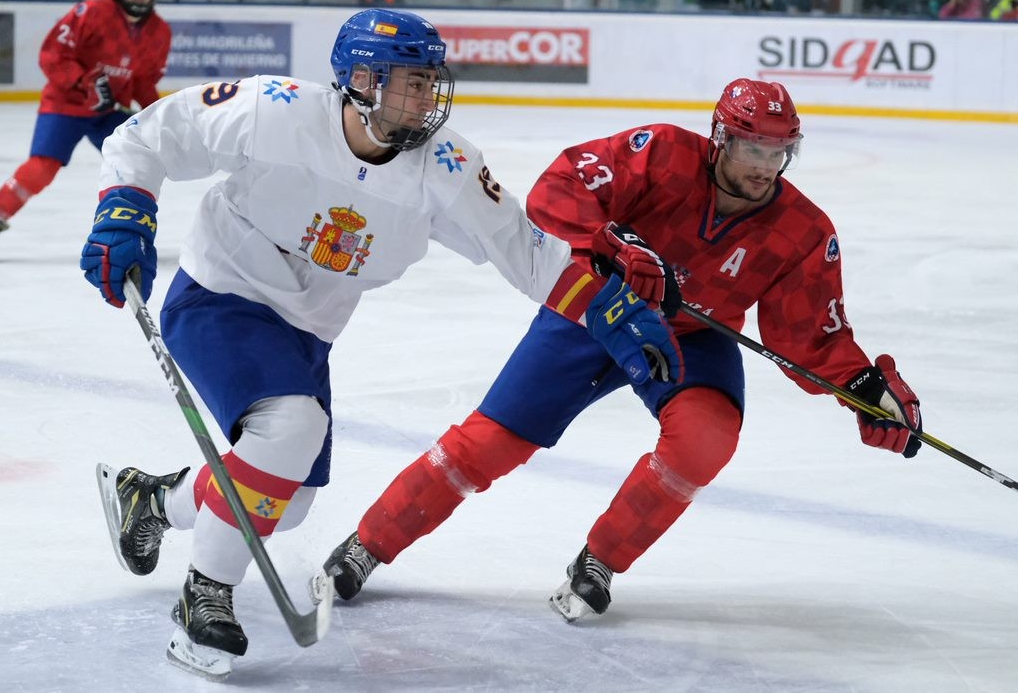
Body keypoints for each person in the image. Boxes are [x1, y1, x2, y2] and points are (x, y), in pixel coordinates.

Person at [82, 8, 678, 679]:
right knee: (290, 429)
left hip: (308, 330)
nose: (430, 97)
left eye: (432, 82)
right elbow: (148, 134)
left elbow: (526, 253)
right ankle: (205, 595)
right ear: (361, 80)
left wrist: (612, 311)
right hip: (223, 293)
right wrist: (124, 210)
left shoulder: (445, 167)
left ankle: (153, 500)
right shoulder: (272, 110)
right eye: (413, 82)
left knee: (287, 493)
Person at [315, 78, 924, 625]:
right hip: (595, 309)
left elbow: (808, 334)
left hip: (693, 334)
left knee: (705, 441)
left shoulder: (803, 231)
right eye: (750, 149)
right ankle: (368, 544)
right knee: (489, 444)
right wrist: (612, 242)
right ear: (720, 139)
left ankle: (600, 561)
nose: (764, 168)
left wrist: (864, 388)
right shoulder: (659, 152)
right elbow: (560, 187)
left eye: (776, 153)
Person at [0, 0, 170, 261]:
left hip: (108, 110)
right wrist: (84, 82)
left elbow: (142, 83)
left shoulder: (159, 32)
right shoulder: (93, 13)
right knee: (41, 168)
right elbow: (53, 55)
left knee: (137, 163)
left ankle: (127, 232)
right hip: (66, 103)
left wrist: (160, 114)